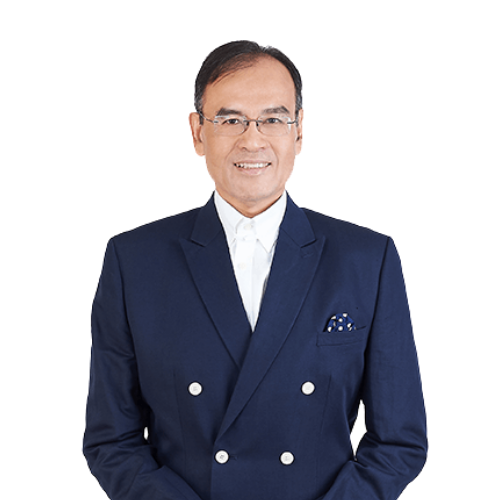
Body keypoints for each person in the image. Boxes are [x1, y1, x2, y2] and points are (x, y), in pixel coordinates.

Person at [83, 40, 427, 499]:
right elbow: (112, 441)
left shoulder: (367, 259)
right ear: (197, 134)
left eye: (273, 119)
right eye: (230, 120)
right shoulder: (134, 261)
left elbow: (398, 441)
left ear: (299, 132)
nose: (252, 140)